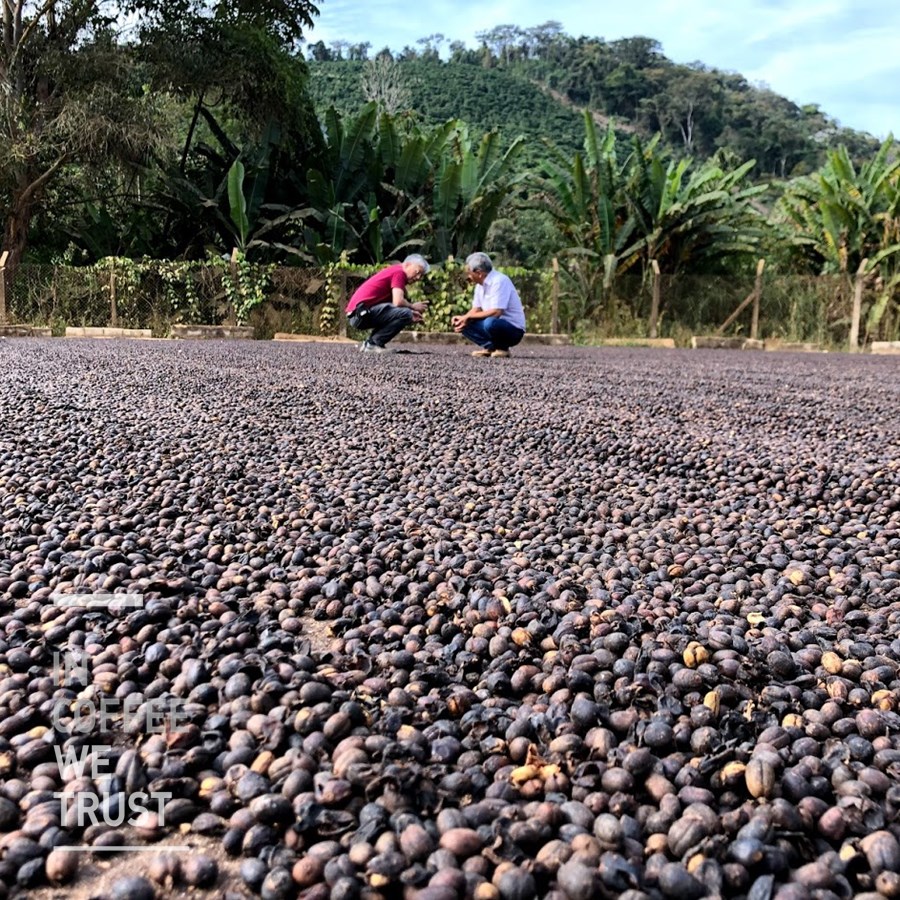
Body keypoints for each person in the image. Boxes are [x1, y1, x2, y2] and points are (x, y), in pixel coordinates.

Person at [346, 254, 430, 353]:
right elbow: (398, 301)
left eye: (421, 275)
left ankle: (370, 344)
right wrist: (412, 307)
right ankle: (373, 344)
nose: (418, 277)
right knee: (406, 313)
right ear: (407, 264)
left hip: (358, 314)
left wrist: (410, 312)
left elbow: (393, 307)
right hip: (359, 314)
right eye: (417, 272)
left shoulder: (394, 271)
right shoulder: (399, 273)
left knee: (406, 313)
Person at [452, 252, 526, 358]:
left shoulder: (499, 281)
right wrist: (463, 319)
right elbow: (476, 309)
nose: (468, 276)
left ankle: (502, 348)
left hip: (513, 330)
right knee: (463, 323)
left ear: (479, 273)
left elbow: (497, 312)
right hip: (493, 324)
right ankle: (490, 347)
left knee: (490, 322)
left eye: (469, 273)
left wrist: (468, 317)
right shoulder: (480, 285)